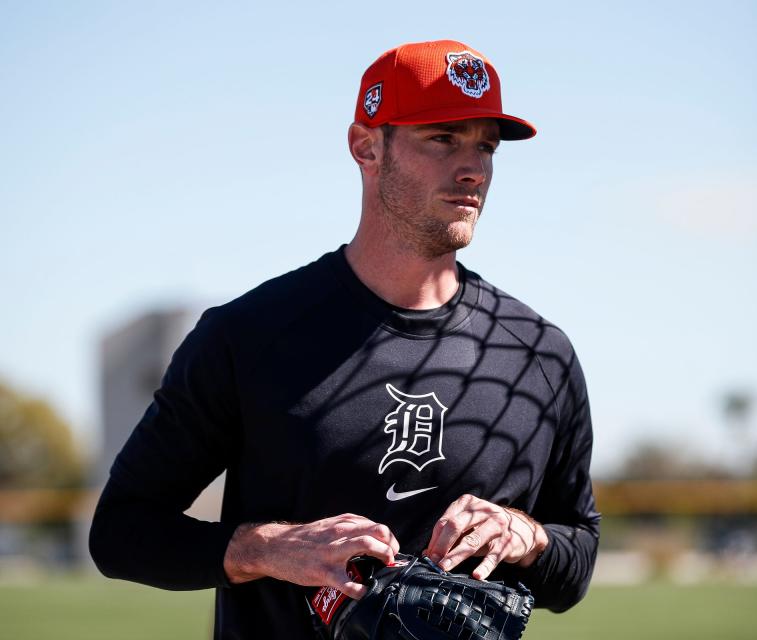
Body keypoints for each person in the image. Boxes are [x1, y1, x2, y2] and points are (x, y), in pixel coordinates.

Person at [89, 39, 600, 639]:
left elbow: (578, 554)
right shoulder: (251, 335)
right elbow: (121, 533)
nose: (474, 168)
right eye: (443, 139)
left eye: (485, 146)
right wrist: (270, 549)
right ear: (366, 146)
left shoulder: (538, 354)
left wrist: (528, 536)